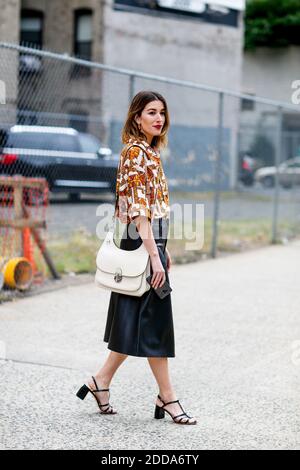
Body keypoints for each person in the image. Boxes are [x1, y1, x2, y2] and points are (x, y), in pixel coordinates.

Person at [76, 91, 197, 425]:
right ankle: (168, 397)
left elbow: (153, 209)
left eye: (162, 112)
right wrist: (154, 256)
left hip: (149, 242)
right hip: (140, 244)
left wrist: (163, 247)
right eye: (151, 112)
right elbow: (138, 210)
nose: (158, 118)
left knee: (131, 319)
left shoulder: (150, 151)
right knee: (156, 321)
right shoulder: (135, 152)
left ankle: (100, 381)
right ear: (136, 117)